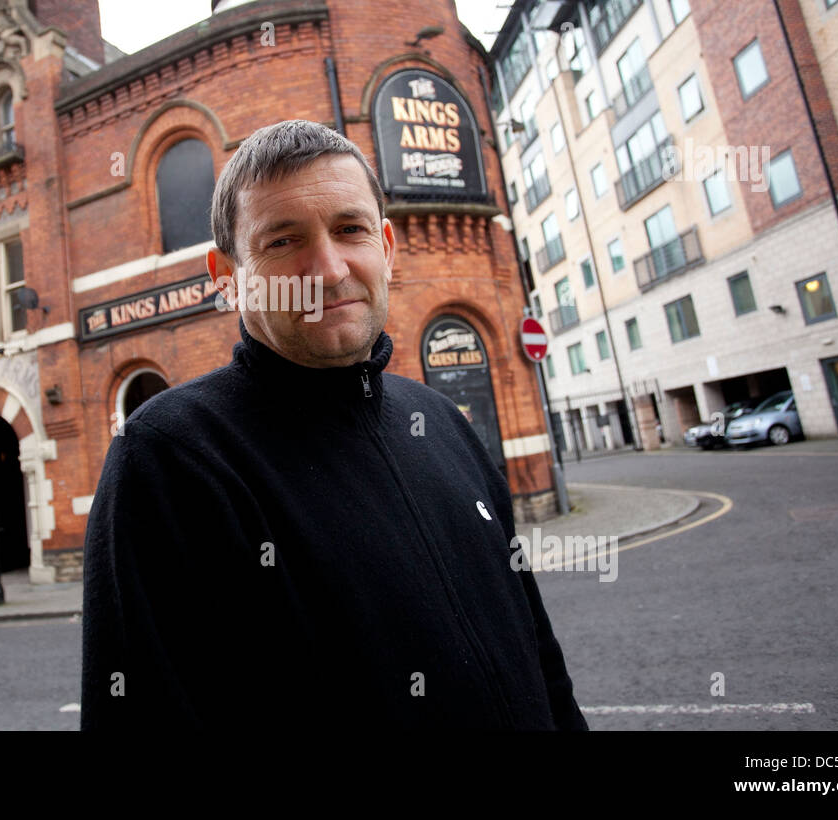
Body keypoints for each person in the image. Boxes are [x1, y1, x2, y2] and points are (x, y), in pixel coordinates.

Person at [80, 119, 587, 730]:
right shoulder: (170, 458)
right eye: (282, 242)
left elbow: (540, 656)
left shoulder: (442, 422)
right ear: (227, 277)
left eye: (350, 230)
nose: (328, 269)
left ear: (388, 247)